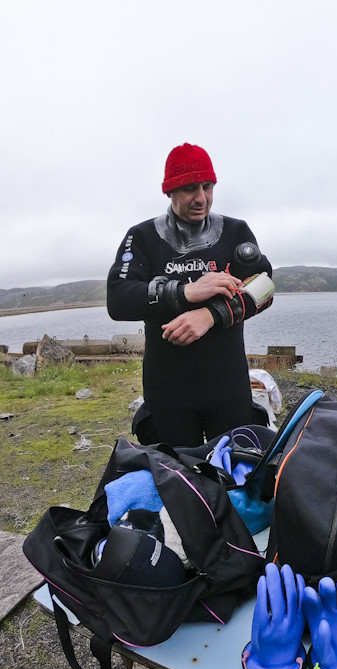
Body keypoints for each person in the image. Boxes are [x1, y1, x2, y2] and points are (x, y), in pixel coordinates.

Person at [107, 143, 275, 447]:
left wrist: (210, 315)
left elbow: (264, 287)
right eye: (188, 189)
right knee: (177, 486)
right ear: (169, 191)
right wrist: (186, 292)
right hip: (167, 394)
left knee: (234, 482)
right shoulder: (143, 237)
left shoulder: (235, 232)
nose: (201, 198)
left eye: (207, 186)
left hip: (229, 390)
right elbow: (118, 298)